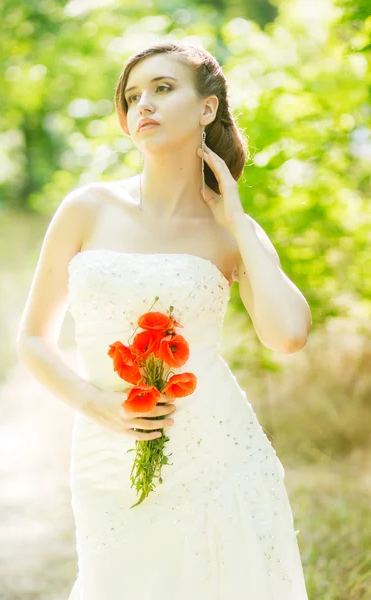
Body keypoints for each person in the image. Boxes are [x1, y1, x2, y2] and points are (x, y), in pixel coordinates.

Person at [17, 41, 311, 599]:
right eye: (132, 96)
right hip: (107, 445)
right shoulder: (87, 208)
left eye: (163, 88)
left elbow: (289, 335)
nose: (142, 105)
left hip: (216, 452)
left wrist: (240, 225)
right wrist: (94, 404)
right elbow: (33, 339)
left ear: (207, 108)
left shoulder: (230, 230)